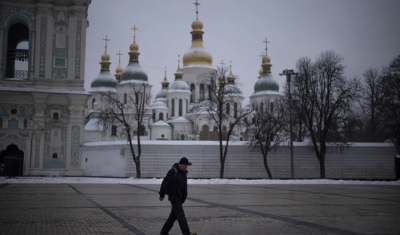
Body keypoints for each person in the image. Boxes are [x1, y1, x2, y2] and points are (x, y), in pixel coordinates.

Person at [159, 157, 197, 235]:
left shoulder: (183, 173)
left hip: (180, 197)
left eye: (186, 166)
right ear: (180, 164)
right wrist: (162, 194)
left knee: (173, 216)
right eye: (184, 165)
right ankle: (186, 233)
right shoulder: (173, 171)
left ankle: (164, 232)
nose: (185, 167)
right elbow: (165, 182)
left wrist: (183, 197)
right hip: (174, 196)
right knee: (180, 214)